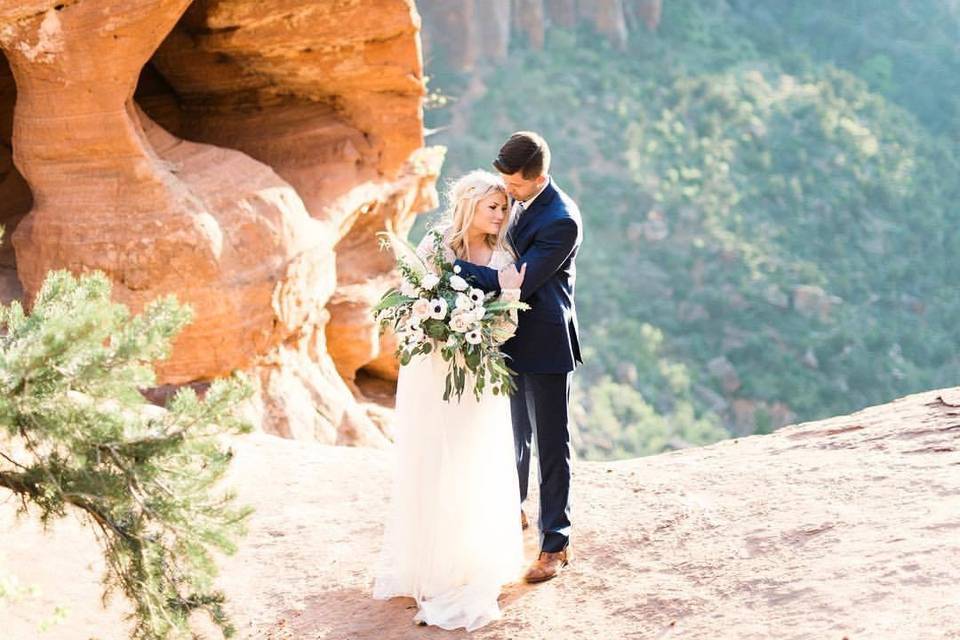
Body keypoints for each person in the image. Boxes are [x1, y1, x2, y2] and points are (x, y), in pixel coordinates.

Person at [372, 169, 527, 631]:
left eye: (504, 208)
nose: (501, 215)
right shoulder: (437, 244)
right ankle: (428, 564)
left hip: (478, 374)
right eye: (493, 207)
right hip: (432, 371)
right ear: (469, 208)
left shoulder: (504, 255)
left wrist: (477, 331)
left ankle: (468, 564)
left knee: (472, 460)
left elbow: (509, 322)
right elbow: (409, 297)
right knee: (432, 458)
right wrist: (432, 326)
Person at [453, 131, 583, 583]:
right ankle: (511, 515)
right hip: (505, 338)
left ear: (540, 177)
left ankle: (556, 544)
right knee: (512, 438)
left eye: (516, 185)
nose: (506, 192)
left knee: (551, 444)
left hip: (546, 343)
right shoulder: (515, 197)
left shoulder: (561, 220)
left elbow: (515, 280)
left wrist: (447, 270)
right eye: (502, 181)